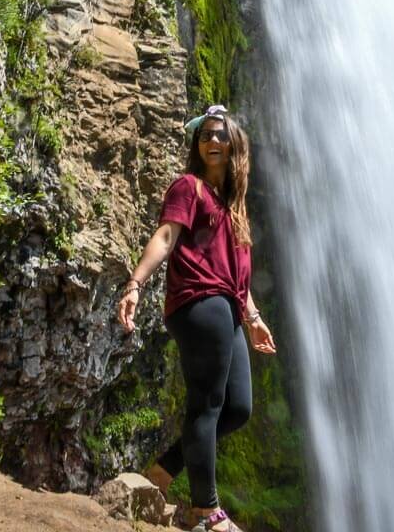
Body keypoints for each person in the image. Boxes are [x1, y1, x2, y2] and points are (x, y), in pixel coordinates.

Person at [116, 104, 278, 532]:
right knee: (206, 403)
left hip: (228, 307)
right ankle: (207, 512)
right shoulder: (189, 188)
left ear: (235, 144)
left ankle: (164, 471)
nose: (212, 141)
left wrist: (254, 317)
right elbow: (167, 235)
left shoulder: (235, 206)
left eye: (220, 134)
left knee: (237, 408)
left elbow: (238, 273)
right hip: (198, 301)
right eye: (205, 135)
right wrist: (136, 282)